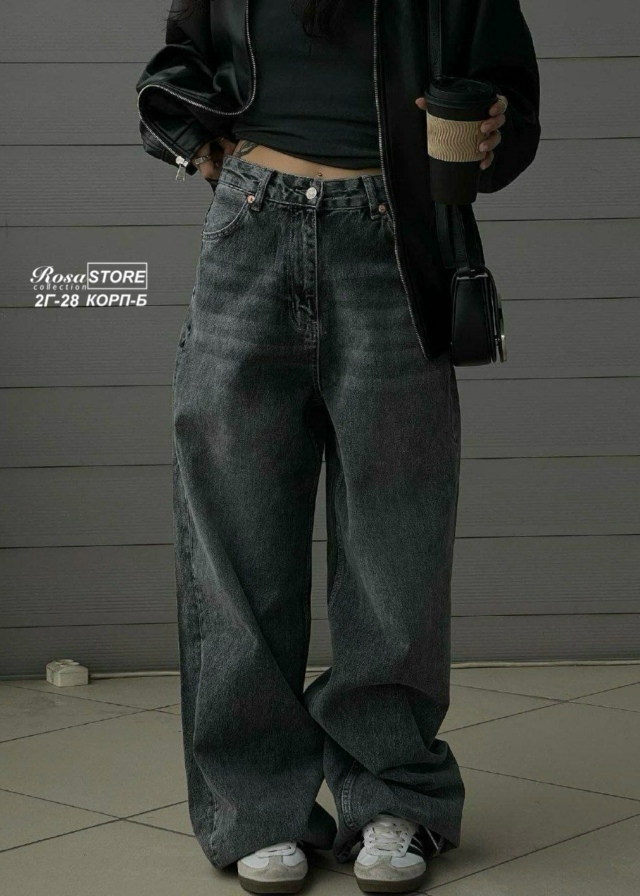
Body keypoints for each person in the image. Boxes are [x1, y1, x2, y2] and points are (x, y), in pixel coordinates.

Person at [135, 1, 540, 893]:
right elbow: (179, 63)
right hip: (251, 226)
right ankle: (258, 807)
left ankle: (393, 794)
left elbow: (511, 103)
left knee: (396, 545)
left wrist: (491, 134)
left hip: (394, 243)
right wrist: (201, 144)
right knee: (235, 542)